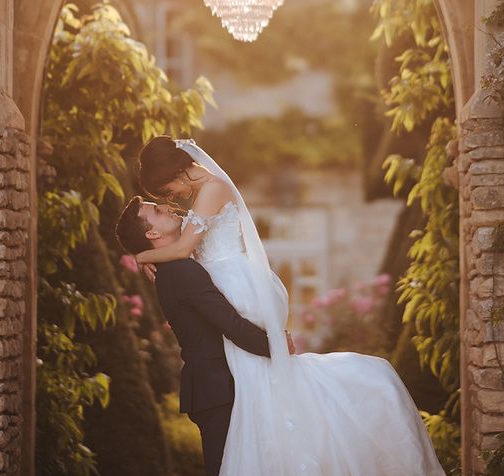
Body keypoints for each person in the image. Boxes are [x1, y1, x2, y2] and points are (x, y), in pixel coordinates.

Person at [132, 135, 446, 476]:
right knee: (258, 380)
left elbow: (181, 251)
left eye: (164, 191)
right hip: (224, 280)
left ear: (173, 172)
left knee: (258, 372)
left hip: (237, 283)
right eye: (161, 200)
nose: (168, 198)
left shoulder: (212, 188)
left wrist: (142, 255)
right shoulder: (201, 195)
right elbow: (190, 253)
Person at [115, 196, 284, 476]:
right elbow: (229, 323)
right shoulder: (181, 271)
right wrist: (277, 347)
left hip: (217, 385)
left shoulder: (176, 266)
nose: (168, 207)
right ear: (152, 233)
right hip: (216, 388)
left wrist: (143, 256)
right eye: (157, 210)